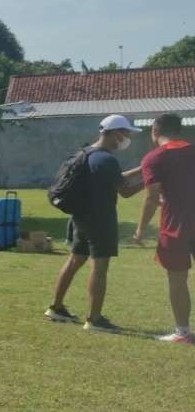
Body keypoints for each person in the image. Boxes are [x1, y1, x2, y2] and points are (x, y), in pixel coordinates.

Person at [45, 114, 144, 332]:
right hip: (101, 220)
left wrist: (142, 169)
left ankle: (56, 307)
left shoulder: (88, 153)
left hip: (81, 217)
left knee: (74, 261)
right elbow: (125, 191)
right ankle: (94, 319)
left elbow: (115, 177)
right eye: (126, 133)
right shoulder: (107, 159)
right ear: (115, 133)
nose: (127, 138)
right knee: (100, 267)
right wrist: (150, 179)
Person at [133, 113, 195, 344]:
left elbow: (151, 197)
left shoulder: (154, 158)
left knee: (177, 279)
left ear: (154, 131)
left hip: (175, 227)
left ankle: (182, 332)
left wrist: (140, 229)